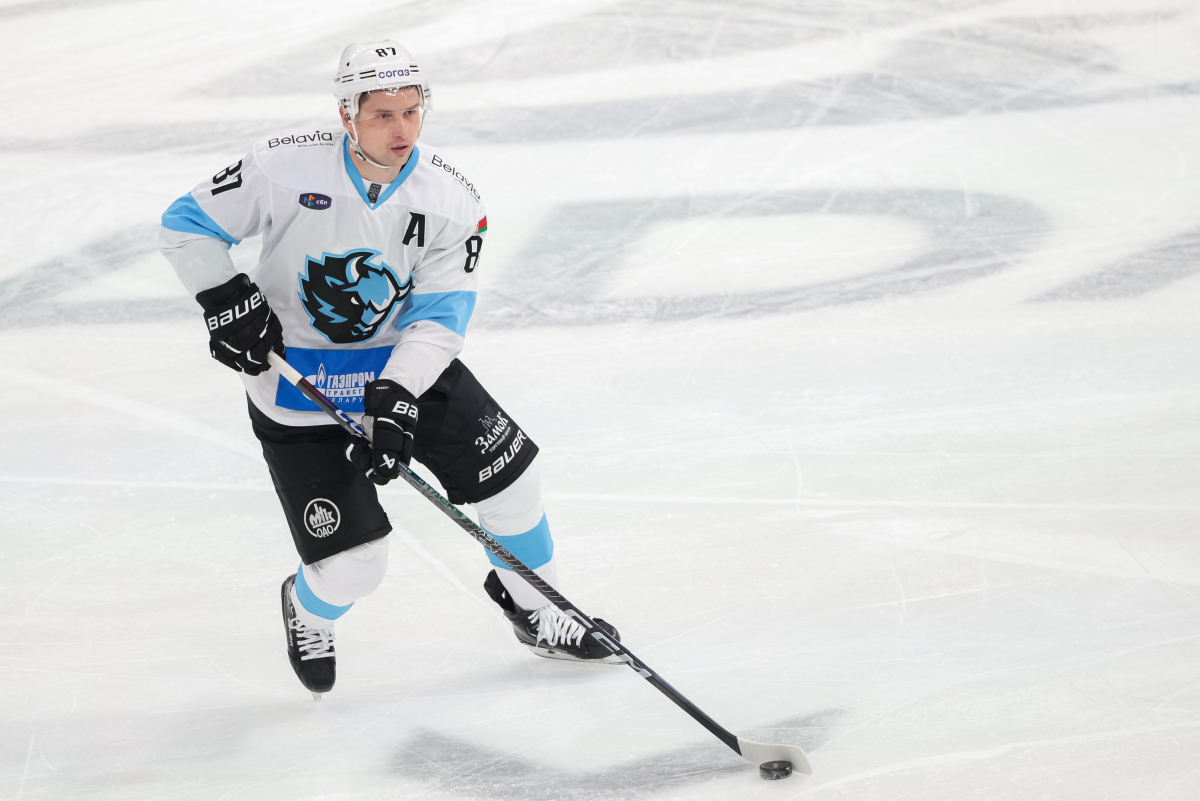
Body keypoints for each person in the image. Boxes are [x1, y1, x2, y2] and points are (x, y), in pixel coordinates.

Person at [157, 40, 619, 697]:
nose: (401, 129)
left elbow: (439, 317)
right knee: (356, 568)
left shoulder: (450, 198)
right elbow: (185, 224)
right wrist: (226, 298)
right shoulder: (282, 167)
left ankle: (538, 609)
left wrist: (399, 392)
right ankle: (307, 608)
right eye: (381, 115)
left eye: (411, 111)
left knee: (512, 481)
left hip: (404, 368)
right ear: (346, 115)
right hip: (298, 384)